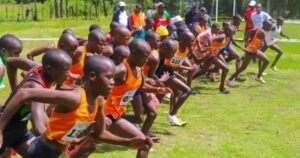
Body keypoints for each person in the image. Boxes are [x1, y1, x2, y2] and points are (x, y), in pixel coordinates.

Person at [0, 55, 151, 158]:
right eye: (109, 77)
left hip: (50, 152)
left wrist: (127, 142)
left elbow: (99, 134)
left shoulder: (98, 102)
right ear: (92, 76)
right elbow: (24, 94)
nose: (113, 82)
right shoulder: (74, 97)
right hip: (40, 152)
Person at [0, 49, 72, 157]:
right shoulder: (36, 86)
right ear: (49, 69)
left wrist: (15, 90)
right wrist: (59, 139)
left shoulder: (38, 67)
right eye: (65, 70)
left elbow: (10, 62)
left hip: (19, 130)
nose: (68, 74)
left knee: (42, 155)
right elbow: (38, 125)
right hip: (5, 129)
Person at [104, 39, 168, 158]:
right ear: (133, 53)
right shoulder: (122, 70)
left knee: (144, 143)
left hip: (116, 115)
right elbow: (101, 78)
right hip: (107, 115)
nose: (147, 59)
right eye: (145, 56)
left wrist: (158, 90)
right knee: (144, 143)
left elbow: (141, 86)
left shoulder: (138, 69)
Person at [156, 39, 192, 126]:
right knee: (187, 90)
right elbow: (169, 64)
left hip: (169, 73)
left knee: (172, 93)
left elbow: (174, 65)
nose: (192, 42)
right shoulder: (172, 48)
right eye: (190, 40)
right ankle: (172, 114)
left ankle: (172, 116)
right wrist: (188, 68)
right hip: (165, 73)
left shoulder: (185, 50)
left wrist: (178, 75)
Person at [227, 20, 275, 85]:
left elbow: (249, 32)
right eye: (270, 26)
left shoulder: (259, 29)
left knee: (267, 61)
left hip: (255, 50)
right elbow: (267, 45)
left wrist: (246, 39)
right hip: (251, 51)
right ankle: (230, 80)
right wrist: (275, 41)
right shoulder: (263, 33)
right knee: (243, 67)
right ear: (266, 26)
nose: (270, 27)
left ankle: (258, 77)